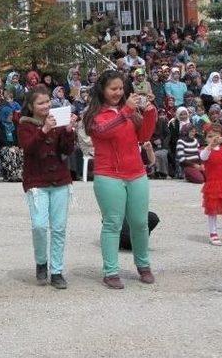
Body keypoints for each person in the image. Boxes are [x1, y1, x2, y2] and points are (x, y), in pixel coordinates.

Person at [82, 70, 156, 289]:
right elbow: (102, 130)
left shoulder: (129, 111)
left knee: (140, 223)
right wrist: (125, 111)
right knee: (112, 223)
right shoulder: (94, 114)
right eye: (113, 88)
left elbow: (143, 136)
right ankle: (111, 271)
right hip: (108, 175)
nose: (118, 92)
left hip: (136, 172)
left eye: (121, 88)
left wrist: (150, 112)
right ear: (102, 90)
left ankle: (143, 265)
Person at [18, 85, 77, 289]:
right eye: (41, 103)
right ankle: (41, 262)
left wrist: (69, 131)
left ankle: (57, 270)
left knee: (59, 228)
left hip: (60, 179)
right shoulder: (24, 124)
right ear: (32, 106)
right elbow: (28, 148)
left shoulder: (58, 120)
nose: (46, 106)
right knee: (39, 226)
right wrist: (44, 130)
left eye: (47, 102)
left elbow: (67, 150)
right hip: (37, 181)